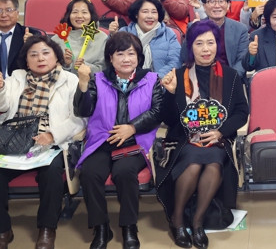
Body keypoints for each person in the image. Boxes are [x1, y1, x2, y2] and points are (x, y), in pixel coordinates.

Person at [158, 20, 249, 248]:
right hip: (185, 139)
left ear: (217, 45)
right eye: (199, 43)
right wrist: (170, 94)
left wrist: (220, 132)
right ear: (190, 47)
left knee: (214, 162)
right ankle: (178, 220)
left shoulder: (230, 75)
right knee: (194, 163)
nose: (206, 49)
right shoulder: (179, 75)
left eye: (210, 42)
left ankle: (197, 222)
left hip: (218, 139)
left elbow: (241, 112)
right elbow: (168, 119)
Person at [73, 32, 162, 249]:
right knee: (90, 173)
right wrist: (83, 84)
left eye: (131, 54)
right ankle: (101, 227)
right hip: (102, 141)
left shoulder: (151, 79)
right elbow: (83, 111)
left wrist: (132, 127)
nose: (126, 59)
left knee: (125, 172)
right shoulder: (97, 79)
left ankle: (129, 227)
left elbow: (158, 111)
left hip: (136, 141)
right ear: (110, 58)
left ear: (139, 57)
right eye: (120, 54)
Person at [0, 35, 84, 249]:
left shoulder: (70, 80)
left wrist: (53, 134)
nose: (40, 58)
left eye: (46, 53)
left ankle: (47, 229)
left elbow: (80, 118)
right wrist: (0, 90)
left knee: (52, 173)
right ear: (26, 61)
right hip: (14, 142)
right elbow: (3, 110)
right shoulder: (16, 78)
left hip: (52, 144)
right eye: (34, 54)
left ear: (56, 57)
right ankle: (3, 229)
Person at [180, 0, 249, 77]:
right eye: (212, 1)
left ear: (228, 5)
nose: (217, 5)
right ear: (204, 6)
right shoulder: (193, 26)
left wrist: (230, 79)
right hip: (200, 79)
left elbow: (242, 61)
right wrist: (192, 33)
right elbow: (184, 57)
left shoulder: (240, 29)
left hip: (230, 78)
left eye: (221, 1)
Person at [108, 0, 181, 78]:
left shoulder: (168, 34)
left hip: (160, 81)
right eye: (145, 12)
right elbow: (111, 58)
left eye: (154, 12)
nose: (150, 16)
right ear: (136, 14)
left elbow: (176, 62)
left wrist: (154, 78)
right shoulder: (124, 32)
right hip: (128, 81)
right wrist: (113, 36)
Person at [51, 0, 107, 75]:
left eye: (84, 12)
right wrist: (66, 65)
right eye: (75, 12)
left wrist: (87, 67)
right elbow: (50, 69)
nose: (79, 16)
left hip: (93, 82)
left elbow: (105, 69)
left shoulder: (102, 38)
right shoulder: (57, 39)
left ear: (91, 15)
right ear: (69, 15)